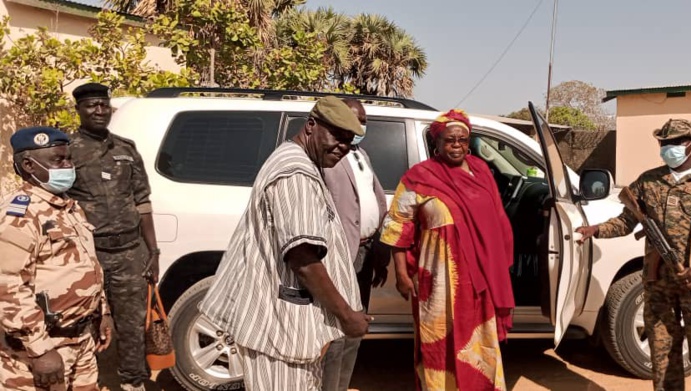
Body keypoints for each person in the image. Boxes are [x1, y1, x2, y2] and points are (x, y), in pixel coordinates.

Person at [199, 96, 371, 391]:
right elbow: (303, 259)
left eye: (349, 139)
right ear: (311, 126)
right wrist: (346, 315)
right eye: (336, 135)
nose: (343, 146)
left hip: (285, 327)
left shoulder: (300, 161)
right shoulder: (296, 174)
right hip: (280, 330)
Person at [576, 119, 691, 391]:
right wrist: (597, 230)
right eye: (664, 143)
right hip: (658, 283)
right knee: (662, 354)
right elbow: (627, 221)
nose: (668, 148)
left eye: (674, 143)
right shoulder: (648, 181)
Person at [380, 109, 515, 391]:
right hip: (438, 281)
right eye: (450, 140)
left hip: (479, 280)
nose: (457, 145)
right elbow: (398, 226)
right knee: (438, 341)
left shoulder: (481, 172)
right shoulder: (419, 177)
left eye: (463, 140)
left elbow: (497, 221)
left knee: (478, 344)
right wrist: (402, 275)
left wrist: (498, 267)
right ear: (436, 143)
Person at [0, 126, 113, 391]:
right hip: (42, 348)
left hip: (82, 340)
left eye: (68, 158)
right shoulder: (19, 215)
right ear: (29, 165)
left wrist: (101, 313)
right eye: (58, 160)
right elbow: (7, 285)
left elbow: (88, 264)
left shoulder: (69, 207)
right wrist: (39, 350)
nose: (68, 165)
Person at [66, 83, 158, 391]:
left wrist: (153, 252)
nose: (99, 111)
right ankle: (85, 382)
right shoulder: (66, 151)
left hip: (130, 253)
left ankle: (133, 383)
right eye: (91, 105)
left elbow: (142, 201)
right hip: (89, 255)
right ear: (78, 110)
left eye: (103, 105)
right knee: (83, 322)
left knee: (132, 325)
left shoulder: (126, 148)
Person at [320, 98, 388, 391]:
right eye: (354, 119)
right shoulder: (327, 155)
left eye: (363, 121)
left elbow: (373, 199)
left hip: (364, 252)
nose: (360, 125)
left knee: (356, 329)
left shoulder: (362, 155)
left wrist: (380, 251)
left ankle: (341, 385)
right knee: (337, 330)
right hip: (339, 254)